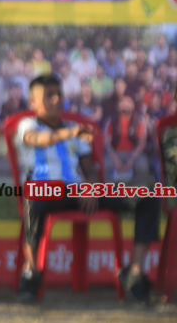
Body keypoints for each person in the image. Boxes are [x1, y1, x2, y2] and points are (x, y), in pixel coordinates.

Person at [14, 75, 158, 304]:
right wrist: (71, 133)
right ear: (33, 102)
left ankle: (135, 273)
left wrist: (90, 187)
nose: (56, 99)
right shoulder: (28, 125)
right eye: (48, 95)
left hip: (77, 192)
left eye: (58, 94)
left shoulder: (74, 130)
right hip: (44, 191)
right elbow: (37, 139)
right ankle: (31, 272)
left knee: (148, 192)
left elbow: (89, 170)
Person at [104, 96, 152, 185]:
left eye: (128, 102)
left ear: (133, 105)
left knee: (142, 165)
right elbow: (107, 143)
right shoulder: (111, 120)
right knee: (105, 165)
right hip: (115, 153)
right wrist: (115, 159)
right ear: (118, 106)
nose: (125, 104)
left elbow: (142, 143)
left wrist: (132, 159)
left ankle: (139, 190)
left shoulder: (139, 120)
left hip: (134, 153)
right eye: (122, 102)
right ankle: (108, 189)